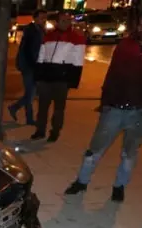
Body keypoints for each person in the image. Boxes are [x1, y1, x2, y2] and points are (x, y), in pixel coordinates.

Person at [64, 7, 142, 203]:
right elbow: (112, 74)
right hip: (114, 108)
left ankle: (119, 186)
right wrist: (105, 102)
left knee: (129, 153)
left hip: (139, 112)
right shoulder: (125, 45)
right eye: (141, 25)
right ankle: (82, 181)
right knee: (95, 149)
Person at [32, 11, 85, 143]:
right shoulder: (48, 36)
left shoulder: (76, 38)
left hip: (62, 78)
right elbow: (41, 56)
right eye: (63, 20)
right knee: (42, 107)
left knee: (59, 108)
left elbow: (78, 61)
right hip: (46, 77)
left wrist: (72, 81)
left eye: (68, 21)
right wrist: (38, 76)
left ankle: (55, 131)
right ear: (57, 22)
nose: (66, 23)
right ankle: (40, 130)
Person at [8, 9, 47, 126]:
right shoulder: (30, 30)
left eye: (45, 18)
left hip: (34, 65)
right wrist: (34, 65)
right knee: (30, 93)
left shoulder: (40, 30)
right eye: (41, 18)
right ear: (35, 18)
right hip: (29, 66)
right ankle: (28, 118)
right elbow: (28, 50)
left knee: (32, 93)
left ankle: (15, 108)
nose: (44, 20)